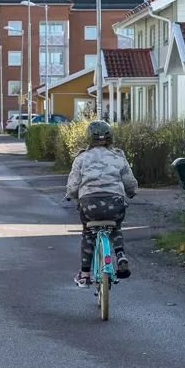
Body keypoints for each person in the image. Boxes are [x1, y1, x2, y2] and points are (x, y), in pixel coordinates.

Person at [65, 120, 138, 287]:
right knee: (115, 227)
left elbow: (73, 186)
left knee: (89, 233)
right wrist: (131, 193)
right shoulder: (118, 156)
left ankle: (84, 275)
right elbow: (130, 184)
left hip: (89, 205)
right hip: (115, 204)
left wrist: (72, 195)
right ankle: (120, 255)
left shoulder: (81, 158)